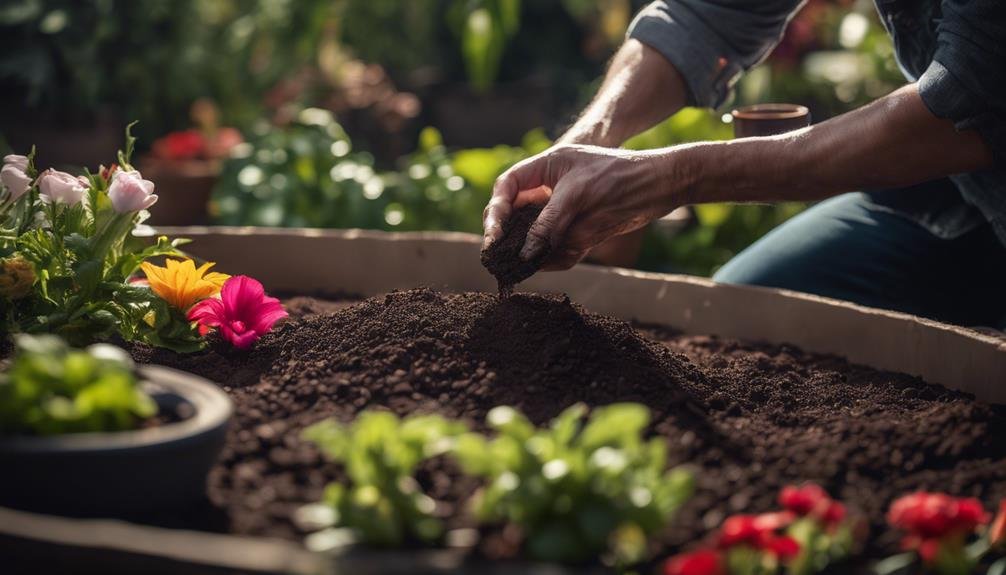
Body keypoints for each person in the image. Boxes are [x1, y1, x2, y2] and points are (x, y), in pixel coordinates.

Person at [481, 0, 1006, 327]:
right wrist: (588, 137)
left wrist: (675, 176)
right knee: (743, 310)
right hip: (952, 197)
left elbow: (965, 104)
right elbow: (703, 15)